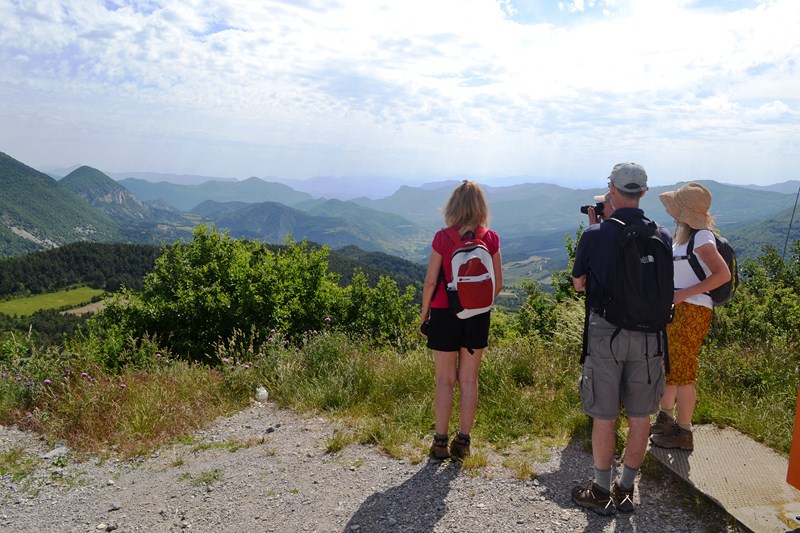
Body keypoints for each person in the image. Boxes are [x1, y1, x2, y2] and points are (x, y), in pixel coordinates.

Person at [570, 162, 671, 515]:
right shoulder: (662, 234)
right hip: (649, 338)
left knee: (605, 414)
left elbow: (580, 283)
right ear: (643, 192)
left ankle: (600, 490)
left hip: (606, 334)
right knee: (641, 415)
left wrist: (593, 229)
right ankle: (626, 488)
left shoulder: (595, 235)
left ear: (611, 189)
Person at [419, 180, 503, 461]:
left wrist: (424, 315)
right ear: (481, 207)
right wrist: (475, 303)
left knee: (445, 380)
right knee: (469, 380)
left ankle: (440, 443)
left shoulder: (443, 238)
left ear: (453, 206)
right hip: (477, 315)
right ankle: (463, 442)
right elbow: (498, 283)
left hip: (444, 312)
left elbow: (431, 280)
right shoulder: (490, 238)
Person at [649, 182, 731, 451]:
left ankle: (683, 432)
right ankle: (666, 418)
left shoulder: (702, 238)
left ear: (684, 212)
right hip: (683, 310)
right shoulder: (685, 236)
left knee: (683, 371)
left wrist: (682, 295)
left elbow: (722, 275)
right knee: (671, 366)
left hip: (692, 310)